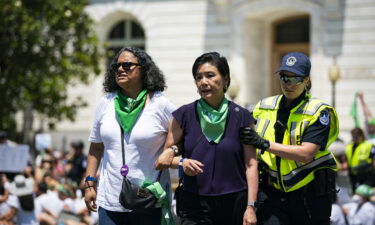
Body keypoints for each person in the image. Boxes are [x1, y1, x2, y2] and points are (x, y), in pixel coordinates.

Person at [155, 52, 258, 225]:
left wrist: (251, 206)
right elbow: (166, 157)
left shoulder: (243, 117)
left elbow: (251, 164)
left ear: (225, 80)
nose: (204, 82)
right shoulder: (183, 115)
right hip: (194, 201)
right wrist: (182, 162)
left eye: (210, 76)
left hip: (234, 202)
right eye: (199, 77)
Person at [240, 52, 339, 225]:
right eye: (284, 78)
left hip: (309, 196)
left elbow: (306, 153)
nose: (288, 84)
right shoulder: (264, 106)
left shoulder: (318, 111)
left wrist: (263, 144)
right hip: (272, 193)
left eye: (295, 79)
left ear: (307, 80)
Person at [84, 47, 175, 225]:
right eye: (116, 66)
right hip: (110, 203)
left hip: (149, 201)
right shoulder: (105, 103)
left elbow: (181, 138)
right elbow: (96, 148)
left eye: (127, 65)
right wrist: (89, 184)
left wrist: (172, 150)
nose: (120, 69)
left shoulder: (161, 104)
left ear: (144, 69)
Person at [343, 128, 375, 192]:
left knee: (364, 194)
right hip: (353, 175)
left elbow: (373, 161)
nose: (355, 138)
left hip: (366, 175)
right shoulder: (349, 146)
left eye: (356, 136)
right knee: (355, 194)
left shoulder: (369, 145)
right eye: (353, 136)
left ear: (362, 136)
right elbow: (346, 159)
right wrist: (345, 163)